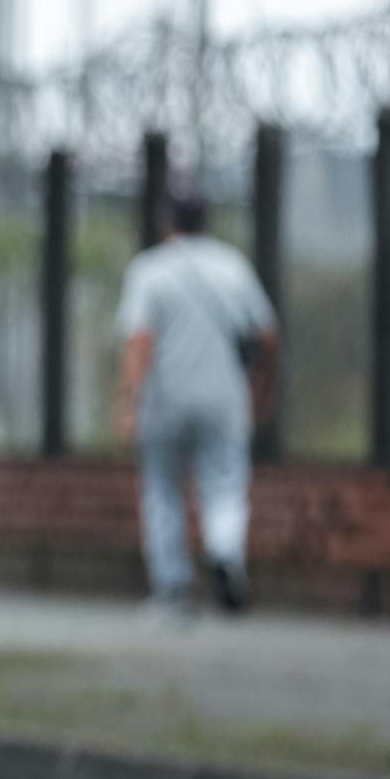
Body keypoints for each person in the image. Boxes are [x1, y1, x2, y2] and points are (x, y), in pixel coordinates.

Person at [117, 186, 278, 617]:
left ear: (168, 221)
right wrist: (260, 390)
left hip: (164, 399)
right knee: (224, 484)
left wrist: (129, 399)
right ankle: (225, 553)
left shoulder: (150, 271)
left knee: (163, 491)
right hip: (224, 397)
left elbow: (139, 341)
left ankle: (172, 589)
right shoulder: (233, 267)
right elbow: (266, 335)